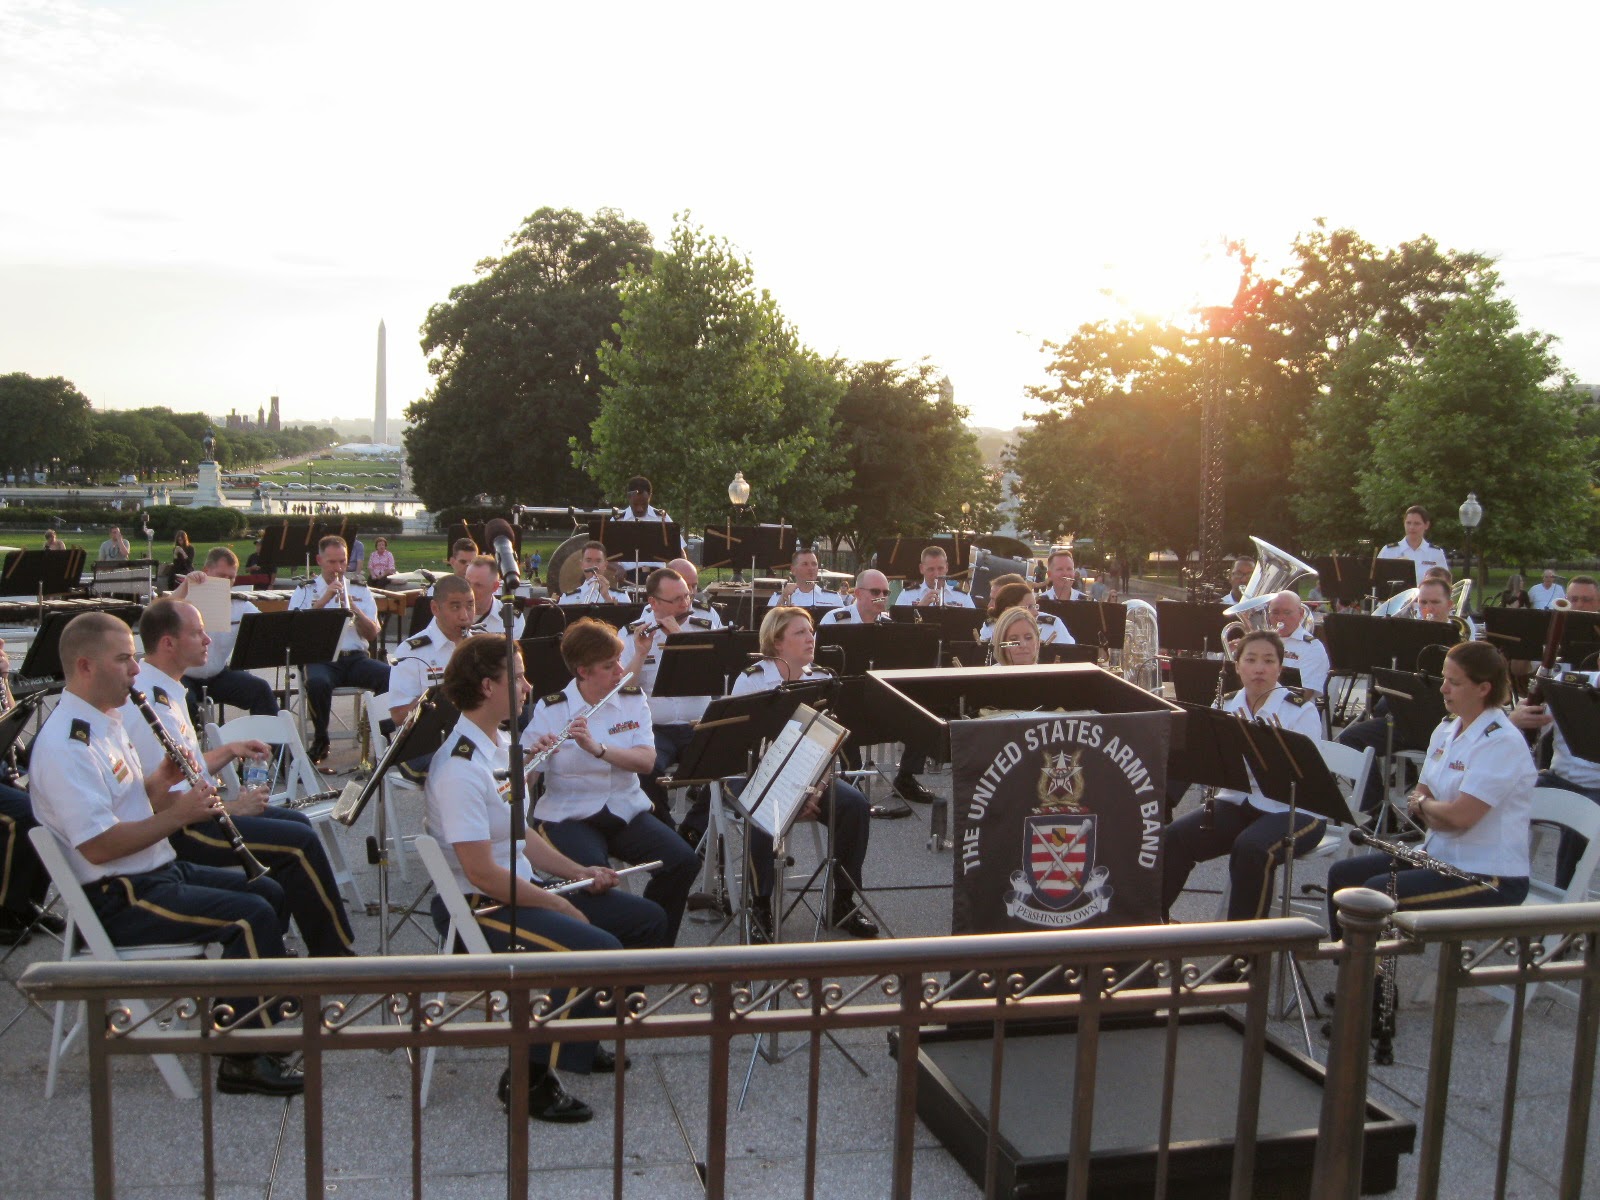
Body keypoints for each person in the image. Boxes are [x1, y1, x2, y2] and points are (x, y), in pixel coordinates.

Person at [29, 612, 303, 1097]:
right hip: (119, 895)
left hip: (152, 872)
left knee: (268, 888)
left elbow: (134, 802)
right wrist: (182, 815)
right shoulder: (67, 745)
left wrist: (163, 783)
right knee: (249, 915)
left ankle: (253, 1015)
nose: (136, 671)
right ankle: (241, 1059)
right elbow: (98, 844)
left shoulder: (105, 721)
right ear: (86, 667)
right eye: (124, 660)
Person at [426, 634, 669, 1123]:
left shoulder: (498, 746)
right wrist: (557, 904)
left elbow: (520, 836)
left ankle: (575, 1045)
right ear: (488, 686)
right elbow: (481, 873)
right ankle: (528, 1079)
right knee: (597, 948)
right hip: (482, 905)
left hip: (516, 888)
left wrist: (578, 872)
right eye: (516, 676)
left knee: (647, 920)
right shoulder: (459, 769)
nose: (527, 684)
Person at [124, 599, 354, 956]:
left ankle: (271, 948)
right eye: (197, 633)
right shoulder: (149, 704)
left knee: (298, 826)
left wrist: (230, 750)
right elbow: (160, 800)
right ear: (168, 643)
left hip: (197, 812)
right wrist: (235, 809)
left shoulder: (168, 689)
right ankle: (334, 955)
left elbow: (186, 768)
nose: (208, 640)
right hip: (180, 829)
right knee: (296, 844)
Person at [1328, 641, 1532, 936]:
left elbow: (1459, 816)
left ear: (1483, 688)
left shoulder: (1501, 742)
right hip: (1439, 857)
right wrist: (1432, 809)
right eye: (1444, 679)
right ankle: (1353, 974)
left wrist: (1427, 807)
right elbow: (1422, 799)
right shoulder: (1446, 728)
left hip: (1488, 875)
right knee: (1343, 876)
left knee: (1373, 894)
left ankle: (1365, 979)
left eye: (1454, 682)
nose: (1443, 688)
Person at [523, 620, 699, 943]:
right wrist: (532, 760)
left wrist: (599, 749)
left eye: (618, 661)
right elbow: (524, 781)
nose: (620, 671)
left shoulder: (632, 699)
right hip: (569, 816)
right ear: (583, 672)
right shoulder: (552, 710)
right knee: (595, 880)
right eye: (609, 666)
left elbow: (647, 762)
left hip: (624, 810)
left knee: (683, 861)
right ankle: (604, 961)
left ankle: (650, 948)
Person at [727, 607, 877, 939]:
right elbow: (738, 747)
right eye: (800, 633)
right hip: (756, 775)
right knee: (767, 810)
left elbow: (826, 742)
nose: (811, 638)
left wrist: (816, 788)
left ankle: (843, 904)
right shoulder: (752, 679)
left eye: (811, 631)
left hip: (809, 778)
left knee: (854, 806)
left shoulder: (821, 677)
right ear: (777, 642)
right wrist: (792, 790)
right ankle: (760, 905)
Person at [1162, 630, 1326, 923]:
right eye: (1250, 660)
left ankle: (1244, 951)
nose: (1259, 668)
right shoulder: (1224, 705)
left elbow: (1304, 775)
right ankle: (1149, 924)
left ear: (1280, 667)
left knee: (1251, 848)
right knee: (1174, 838)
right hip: (1239, 801)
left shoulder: (1300, 710)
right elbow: (1207, 759)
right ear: (1237, 666)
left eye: (1268, 661)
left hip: (1293, 808)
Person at [1336, 575, 1458, 814]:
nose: (1428, 609)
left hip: (1442, 724)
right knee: (1351, 738)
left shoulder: (1461, 643)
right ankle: (1376, 811)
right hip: (1406, 720)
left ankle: (1424, 812)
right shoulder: (1407, 638)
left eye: (1435, 602)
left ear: (1450, 605)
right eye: (1423, 603)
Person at [1508, 574, 1600, 887]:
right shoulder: (1563, 672)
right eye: (1573, 600)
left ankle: (1564, 915)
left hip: (1596, 787)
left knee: (1579, 824)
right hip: (1560, 776)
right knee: (1503, 797)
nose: (1578, 607)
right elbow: (1538, 716)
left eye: (1586, 601)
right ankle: (1504, 884)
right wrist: (1519, 717)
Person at [620, 567, 723, 825]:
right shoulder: (631, 633)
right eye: (676, 599)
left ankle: (693, 832)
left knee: (724, 768)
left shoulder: (705, 627)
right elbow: (622, 689)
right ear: (653, 602)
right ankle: (666, 831)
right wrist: (640, 653)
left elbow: (716, 680)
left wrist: (680, 640)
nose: (685, 603)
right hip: (655, 729)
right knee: (646, 769)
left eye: (687, 596)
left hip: (698, 724)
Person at [287, 535, 390, 763]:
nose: (339, 568)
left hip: (355, 659)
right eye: (332, 562)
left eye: (342, 561)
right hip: (321, 659)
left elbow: (372, 633)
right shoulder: (305, 590)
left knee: (391, 676)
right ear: (319, 560)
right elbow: (295, 630)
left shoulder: (360, 590)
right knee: (317, 683)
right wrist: (323, 601)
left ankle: (384, 738)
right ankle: (321, 740)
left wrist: (354, 607)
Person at [171, 547, 278, 717]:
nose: (227, 582)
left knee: (261, 690)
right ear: (206, 571)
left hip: (217, 675)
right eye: (222, 576)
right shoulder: (185, 598)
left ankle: (273, 743)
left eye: (231, 577)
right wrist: (185, 586)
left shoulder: (239, 605)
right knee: (182, 704)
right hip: (183, 676)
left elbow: (268, 629)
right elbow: (159, 613)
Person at [409, 537, 479, 635]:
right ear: (452, 562)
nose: (468, 566)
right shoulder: (437, 591)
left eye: (472, 563)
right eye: (463, 562)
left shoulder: (488, 590)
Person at [1267, 590, 1328, 695]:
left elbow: (1304, 694)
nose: (1280, 618)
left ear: (1301, 614)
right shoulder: (1262, 642)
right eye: (1275, 612)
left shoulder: (1312, 647)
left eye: (1287, 612)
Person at [978, 581, 1070, 646]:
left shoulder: (1053, 624)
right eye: (1029, 607)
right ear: (1009, 611)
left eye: (1035, 606)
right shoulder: (991, 627)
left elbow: (1071, 657)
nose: (1036, 613)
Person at [1378, 504, 1450, 585]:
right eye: (1408, 523)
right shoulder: (1388, 551)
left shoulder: (1436, 553)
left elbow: (1445, 584)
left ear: (1426, 525)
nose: (1411, 527)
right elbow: (1378, 580)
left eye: (1417, 523)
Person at [616, 476, 671, 578]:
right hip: (629, 576)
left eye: (644, 504)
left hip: (658, 576)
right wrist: (617, 568)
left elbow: (679, 550)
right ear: (629, 497)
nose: (640, 509)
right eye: (635, 504)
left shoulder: (662, 518)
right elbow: (603, 555)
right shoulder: (618, 520)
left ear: (650, 496)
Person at [894, 545, 976, 609]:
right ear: (921, 569)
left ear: (947, 567)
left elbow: (974, 626)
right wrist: (920, 608)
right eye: (931, 569)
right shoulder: (907, 595)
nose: (936, 574)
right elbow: (898, 625)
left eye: (940, 568)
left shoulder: (962, 597)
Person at [466, 555, 526, 639]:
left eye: (478, 585)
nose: (470, 590)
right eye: (467, 582)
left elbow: (513, 651)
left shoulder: (512, 620)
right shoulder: (449, 614)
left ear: (495, 587)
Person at [771, 547, 843, 610]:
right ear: (793, 570)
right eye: (805, 564)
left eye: (814, 564)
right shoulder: (778, 597)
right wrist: (782, 600)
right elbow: (768, 624)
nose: (811, 568)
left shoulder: (833, 598)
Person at [559, 541, 629, 605]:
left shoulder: (621, 597)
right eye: (588, 561)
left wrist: (607, 598)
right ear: (581, 565)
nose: (593, 566)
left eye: (598, 561)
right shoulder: (567, 599)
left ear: (605, 565)